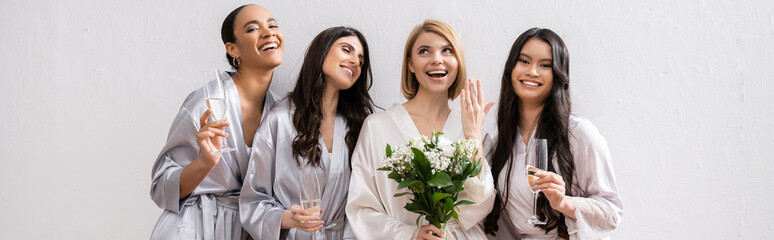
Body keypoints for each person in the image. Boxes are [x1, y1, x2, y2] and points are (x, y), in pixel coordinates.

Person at [346, 19, 495, 240]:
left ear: (458, 62)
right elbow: (361, 208)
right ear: (411, 64)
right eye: (425, 51)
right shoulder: (378, 127)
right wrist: (410, 234)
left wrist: (473, 136)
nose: (437, 59)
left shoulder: (474, 129)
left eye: (447, 50)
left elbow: (480, 207)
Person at [149, 4, 284, 239]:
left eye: (272, 25)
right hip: (192, 227)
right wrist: (205, 162)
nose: (268, 32)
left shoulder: (280, 111)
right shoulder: (207, 102)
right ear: (233, 49)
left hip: (244, 229)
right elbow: (161, 189)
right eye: (253, 28)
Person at [482, 28, 623, 240]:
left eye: (545, 65)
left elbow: (612, 213)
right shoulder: (500, 141)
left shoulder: (578, 133)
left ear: (558, 74)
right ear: (511, 69)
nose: (532, 72)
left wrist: (565, 203)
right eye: (524, 61)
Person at [239, 26, 374, 240]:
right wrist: (288, 219)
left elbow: (363, 202)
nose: (356, 61)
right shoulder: (280, 119)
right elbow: (252, 201)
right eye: (346, 50)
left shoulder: (356, 126)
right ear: (322, 52)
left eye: (361, 59)